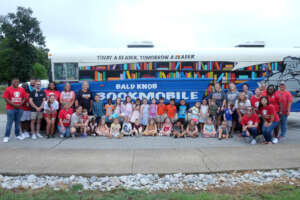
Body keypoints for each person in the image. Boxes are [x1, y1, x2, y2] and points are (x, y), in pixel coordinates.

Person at [2, 78, 26, 143]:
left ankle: (17, 135)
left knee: (18, 123)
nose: (17, 83)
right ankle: (6, 136)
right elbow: (6, 98)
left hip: (20, 108)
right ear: (12, 82)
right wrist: (14, 105)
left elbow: (24, 98)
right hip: (10, 109)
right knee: (9, 123)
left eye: (18, 82)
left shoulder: (22, 89)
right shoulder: (8, 89)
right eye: (15, 82)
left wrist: (20, 104)